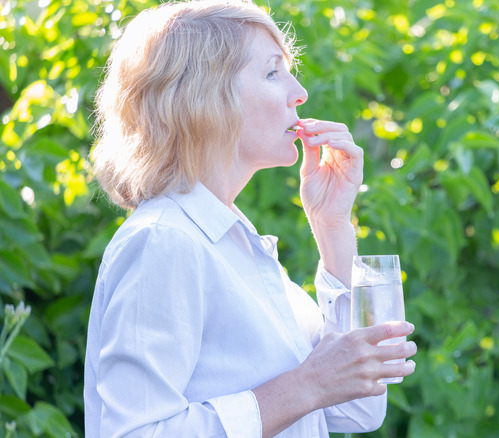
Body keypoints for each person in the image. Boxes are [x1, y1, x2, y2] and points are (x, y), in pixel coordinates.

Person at [83, 0, 417, 436]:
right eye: (272, 73)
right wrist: (307, 384)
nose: (300, 93)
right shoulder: (164, 241)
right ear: (206, 96)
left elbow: (357, 410)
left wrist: (332, 224)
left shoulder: (235, 243)